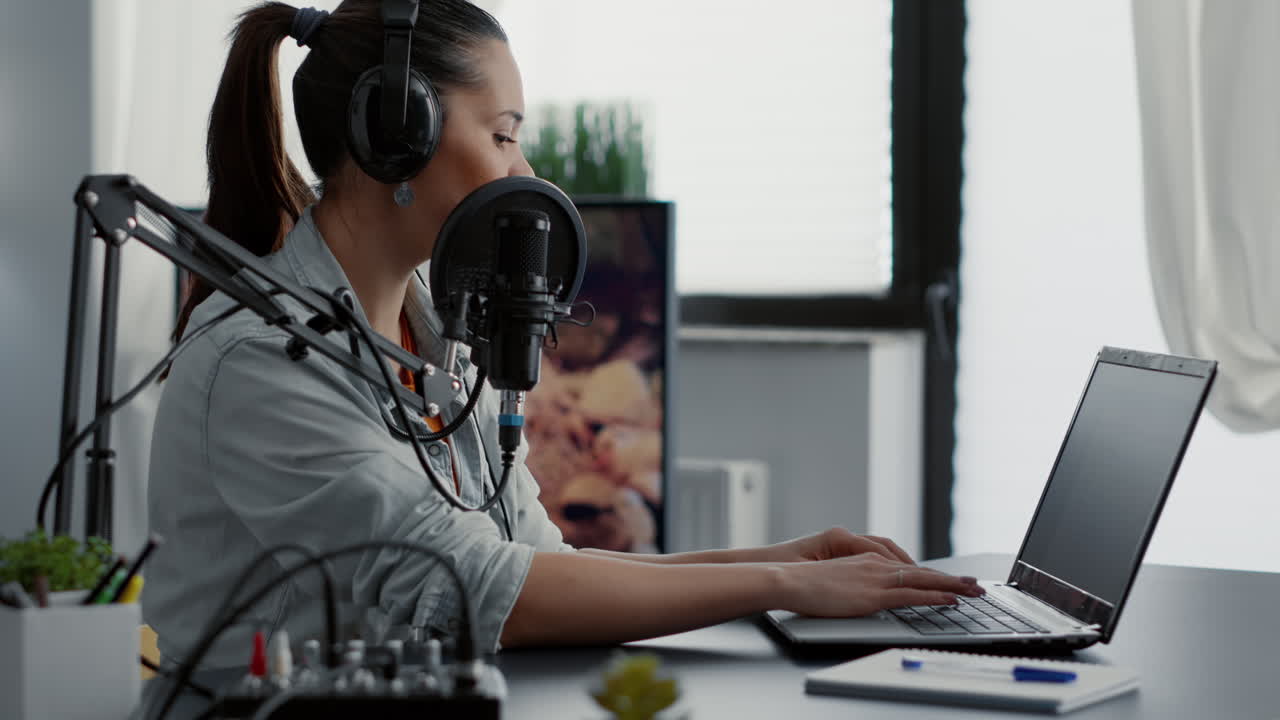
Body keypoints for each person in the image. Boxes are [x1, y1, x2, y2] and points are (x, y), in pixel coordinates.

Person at [143, 0, 982, 699]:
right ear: (393, 138)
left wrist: (782, 559)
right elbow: (481, 592)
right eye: (504, 135)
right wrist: (785, 590)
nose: (524, 166)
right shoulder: (258, 364)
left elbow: (536, 564)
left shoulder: (434, 338)